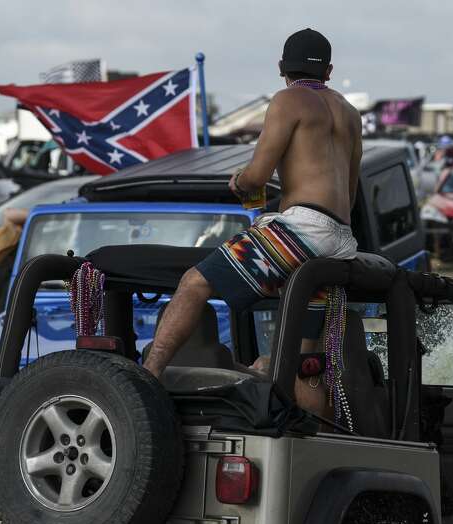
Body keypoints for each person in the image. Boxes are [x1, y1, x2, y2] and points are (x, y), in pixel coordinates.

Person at [142, 28, 360, 419]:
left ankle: (146, 379)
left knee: (194, 282)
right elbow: (351, 192)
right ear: (329, 70)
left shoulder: (288, 99)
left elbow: (256, 178)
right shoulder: (349, 112)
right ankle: (321, 438)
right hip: (340, 238)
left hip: (304, 230)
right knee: (305, 360)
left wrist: (240, 182)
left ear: (282, 68)